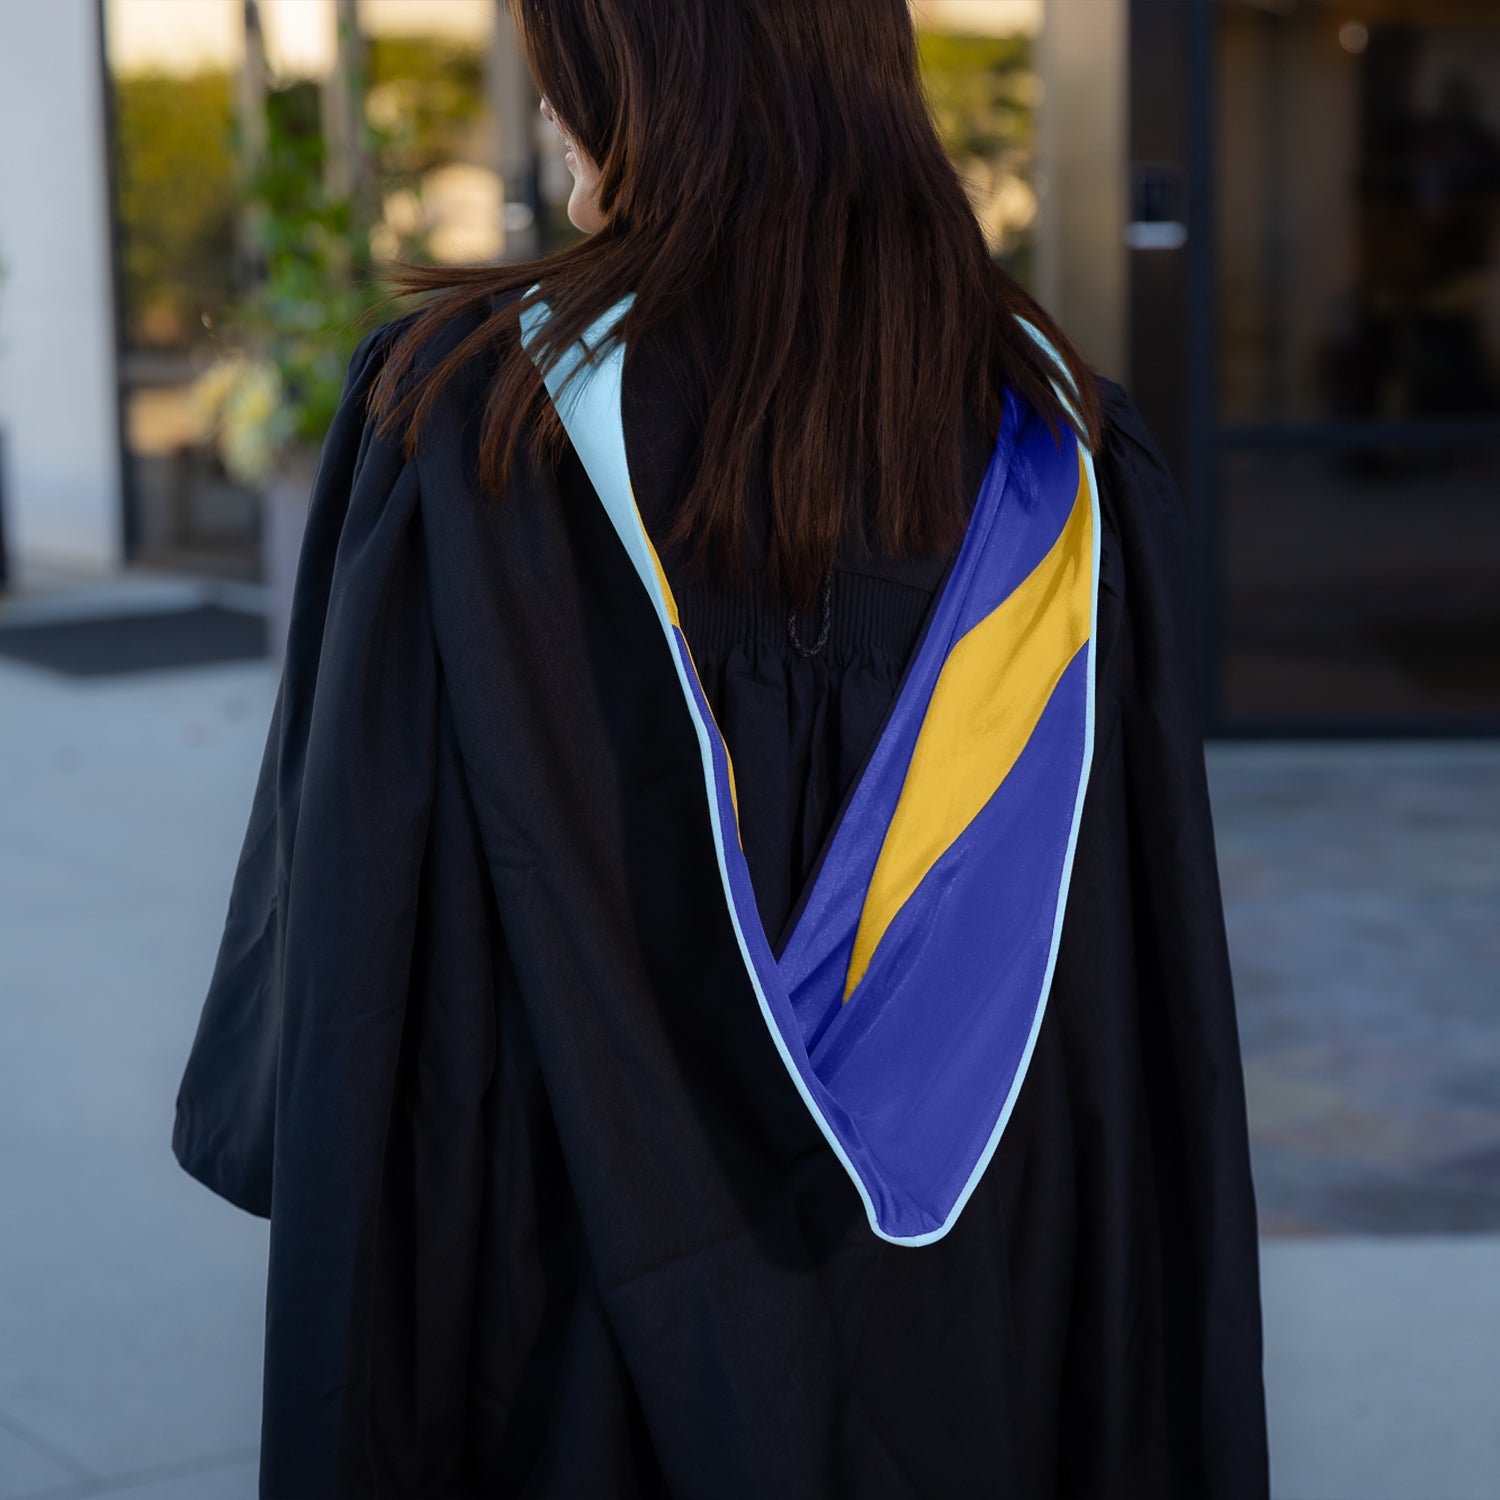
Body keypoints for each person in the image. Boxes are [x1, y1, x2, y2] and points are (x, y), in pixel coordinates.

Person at [171, 1, 1269, 1495]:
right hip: (990, 1321)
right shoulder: (1057, 442)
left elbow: (358, 946)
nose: (546, 105)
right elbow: (1139, 1005)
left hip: (564, 1316)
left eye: (565, 60)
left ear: (654, 74)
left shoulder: (470, 425)